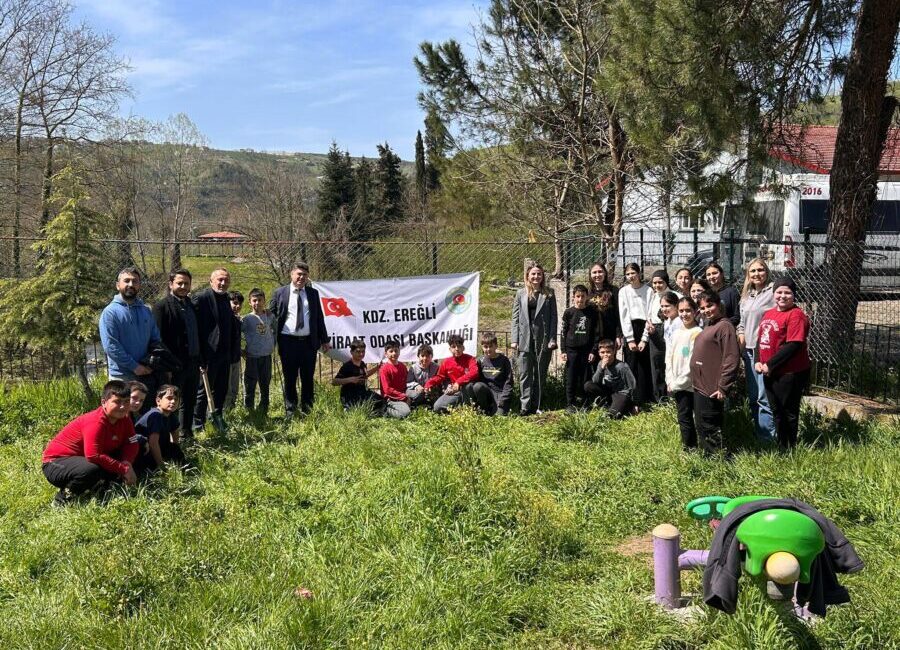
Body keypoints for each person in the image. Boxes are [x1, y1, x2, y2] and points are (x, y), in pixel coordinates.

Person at [41, 380, 138, 506]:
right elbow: (93, 455)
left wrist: (127, 462)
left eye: (126, 402)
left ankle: (101, 486)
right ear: (104, 402)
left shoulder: (124, 418)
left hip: (85, 458)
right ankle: (62, 500)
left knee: (141, 450)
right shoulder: (95, 422)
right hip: (55, 463)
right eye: (117, 402)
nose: (122, 407)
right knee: (90, 469)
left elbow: (132, 442)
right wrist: (123, 469)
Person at [269, 262, 331, 418]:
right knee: (290, 378)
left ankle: (307, 409)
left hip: (308, 343)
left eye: (304, 275)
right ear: (291, 275)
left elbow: (319, 318)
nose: (301, 277)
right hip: (287, 342)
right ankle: (290, 410)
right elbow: (271, 316)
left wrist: (324, 339)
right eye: (299, 274)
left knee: (307, 378)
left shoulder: (313, 294)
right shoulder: (280, 293)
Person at [756, 277, 811, 449]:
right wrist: (758, 360)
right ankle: (781, 445)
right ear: (774, 294)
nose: (783, 296)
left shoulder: (796, 315)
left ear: (794, 295)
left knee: (788, 412)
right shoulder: (769, 313)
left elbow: (794, 345)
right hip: (769, 371)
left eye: (788, 292)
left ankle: (789, 447)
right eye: (779, 292)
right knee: (776, 410)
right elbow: (761, 340)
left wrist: (770, 364)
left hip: (789, 372)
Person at [99, 267, 161, 409]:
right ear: (118, 285)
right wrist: (134, 366)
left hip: (145, 373)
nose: (131, 284)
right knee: (122, 415)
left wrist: (149, 363)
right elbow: (111, 346)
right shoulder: (110, 313)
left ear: (139, 285)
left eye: (135, 281)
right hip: (123, 375)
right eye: (126, 281)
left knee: (145, 416)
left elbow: (155, 339)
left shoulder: (146, 310)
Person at [690, 291, 741, 454]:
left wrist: (723, 386)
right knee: (702, 424)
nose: (706, 310)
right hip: (700, 385)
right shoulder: (710, 324)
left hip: (712, 387)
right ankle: (708, 457)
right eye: (702, 308)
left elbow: (731, 358)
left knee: (709, 425)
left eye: (710, 305)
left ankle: (719, 460)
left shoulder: (725, 326)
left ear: (719, 304)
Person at [153, 268, 201, 435]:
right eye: (179, 283)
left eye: (186, 283)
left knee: (189, 400)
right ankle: (168, 437)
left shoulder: (192, 305)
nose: (183, 286)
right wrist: (167, 366)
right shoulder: (161, 307)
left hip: (193, 362)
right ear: (170, 284)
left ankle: (186, 432)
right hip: (173, 365)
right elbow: (158, 340)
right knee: (171, 402)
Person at [192, 268, 240, 431]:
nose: (223, 283)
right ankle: (198, 422)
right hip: (208, 354)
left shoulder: (226, 298)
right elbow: (195, 329)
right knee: (203, 390)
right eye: (219, 279)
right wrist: (199, 355)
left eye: (226, 280)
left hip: (224, 354)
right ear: (211, 280)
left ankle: (216, 416)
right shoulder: (202, 298)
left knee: (221, 388)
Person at [736, 259, 776, 441]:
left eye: (760, 270)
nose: (756, 274)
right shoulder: (746, 296)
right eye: (752, 271)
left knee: (763, 396)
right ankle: (759, 431)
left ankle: (768, 438)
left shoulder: (773, 292)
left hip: (766, 351)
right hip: (750, 350)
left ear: (766, 272)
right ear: (748, 275)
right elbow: (742, 323)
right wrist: (741, 343)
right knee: (753, 395)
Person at [511, 262, 558, 415]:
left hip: (542, 339)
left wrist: (552, 339)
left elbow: (553, 318)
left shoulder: (549, 293)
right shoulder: (520, 293)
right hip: (525, 339)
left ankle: (537, 405)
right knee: (525, 373)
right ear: (528, 276)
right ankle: (525, 406)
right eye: (533, 274)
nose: (536, 276)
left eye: (539, 274)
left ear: (543, 276)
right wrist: (514, 339)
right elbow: (515, 318)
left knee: (539, 373)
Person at [666, 297, 702, 449]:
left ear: (695, 312)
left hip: (690, 384)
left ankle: (702, 447)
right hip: (676, 383)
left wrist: (677, 383)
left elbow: (692, 363)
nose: (684, 314)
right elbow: (669, 356)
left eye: (688, 310)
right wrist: (669, 379)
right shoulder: (676, 332)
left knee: (697, 417)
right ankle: (689, 447)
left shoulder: (697, 333)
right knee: (683, 416)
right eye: (681, 311)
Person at [618, 262, 653, 406]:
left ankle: (646, 398)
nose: (631, 276)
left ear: (639, 273)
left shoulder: (649, 291)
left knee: (645, 366)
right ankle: (633, 400)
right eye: (628, 274)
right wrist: (630, 339)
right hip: (631, 329)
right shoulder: (623, 291)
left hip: (645, 328)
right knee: (631, 365)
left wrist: (644, 339)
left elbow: (650, 314)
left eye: (633, 273)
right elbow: (624, 315)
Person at [560, 284, 600, 411]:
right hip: (571, 350)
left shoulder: (592, 313)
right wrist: (563, 350)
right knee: (571, 377)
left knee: (585, 377)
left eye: (583, 296)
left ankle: (585, 403)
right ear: (573, 297)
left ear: (587, 297)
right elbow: (563, 332)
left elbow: (596, 333)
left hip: (586, 350)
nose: (580, 299)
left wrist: (593, 350)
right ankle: (570, 403)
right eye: (577, 296)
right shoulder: (569, 312)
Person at [133, 385, 186, 475]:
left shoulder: (171, 415)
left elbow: (175, 439)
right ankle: (148, 471)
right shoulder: (155, 415)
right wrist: (162, 467)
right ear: (158, 401)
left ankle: (183, 471)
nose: (173, 401)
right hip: (143, 451)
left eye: (176, 399)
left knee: (175, 450)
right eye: (169, 398)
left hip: (159, 447)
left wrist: (174, 457)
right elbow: (153, 443)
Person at [425, 334, 480, 414]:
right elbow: (440, 376)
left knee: (469, 386)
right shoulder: (446, 362)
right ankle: (459, 407)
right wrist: (429, 383)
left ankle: (468, 408)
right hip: (454, 391)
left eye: (459, 346)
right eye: (454, 347)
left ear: (463, 348)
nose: (457, 349)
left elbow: (474, 372)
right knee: (437, 407)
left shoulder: (470, 359)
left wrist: (458, 382)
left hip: (468, 391)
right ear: (450, 349)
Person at [241, 288, 275, 414]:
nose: (257, 303)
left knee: (265, 383)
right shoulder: (246, 319)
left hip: (266, 356)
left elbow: (275, 330)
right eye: (254, 300)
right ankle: (249, 410)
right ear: (250, 302)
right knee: (250, 384)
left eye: (260, 300)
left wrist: (273, 345)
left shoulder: (270, 316)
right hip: (252, 356)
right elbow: (237, 334)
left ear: (264, 301)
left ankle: (263, 409)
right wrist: (241, 350)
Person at [583, 339, 636, 419]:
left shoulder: (622, 366)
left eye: (608, 352)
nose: (605, 355)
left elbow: (632, 384)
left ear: (614, 352)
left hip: (620, 394)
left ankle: (624, 406)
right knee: (588, 385)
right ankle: (607, 404)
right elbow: (595, 381)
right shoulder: (600, 363)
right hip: (608, 392)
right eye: (602, 352)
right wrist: (601, 368)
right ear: (599, 353)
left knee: (612, 415)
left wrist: (635, 404)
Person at [468, 331, 513, 415]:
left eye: (491, 346)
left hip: (499, 392)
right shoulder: (480, 360)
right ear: (482, 347)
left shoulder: (504, 360)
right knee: (478, 386)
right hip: (486, 391)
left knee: (499, 417)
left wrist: (503, 399)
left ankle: (495, 408)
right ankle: (485, 408)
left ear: (496, 346)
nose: (488, 349)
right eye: (485, 347)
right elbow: (473, 377)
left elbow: (509, 382)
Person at [332, 339, 383, 411]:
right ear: (351, 352)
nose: (361, 354)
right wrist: (350, 379)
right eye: (358, 352)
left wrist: (377, 368)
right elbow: (334, 382)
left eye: (363, 351)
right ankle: (348, 408)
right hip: (350, 395)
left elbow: (365, 375)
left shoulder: (362, 364)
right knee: (358, 408)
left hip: (362, 393)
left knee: (380, 400)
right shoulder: (347, 366)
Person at [645, 270, 672, 402]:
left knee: (669, 363)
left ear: (666, 282)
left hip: (669, 329)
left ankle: (671, 397)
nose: (657, 285)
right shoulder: (653, 296)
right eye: (654, 283)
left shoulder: (674, 295)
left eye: (660, 282)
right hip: (654, 330)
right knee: (656, 365)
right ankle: (659, 399)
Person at [378, 340, 412, 419]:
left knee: (418, 394)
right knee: (405, 413)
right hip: (391, 398)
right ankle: (385, 409)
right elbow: (387, 390)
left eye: (396, 351)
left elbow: (407, 381)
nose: (394, 353)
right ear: (386, 354)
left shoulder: (402, 366)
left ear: (399, 352)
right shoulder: (384, 369)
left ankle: (405, 405)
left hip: (403, 392)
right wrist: (404, 397)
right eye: (391, 351)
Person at [588, 262, 620, 343]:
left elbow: (618, 314)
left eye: (600, 271)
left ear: (605, 273)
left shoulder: (614, 291)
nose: (597, 275)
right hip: (592, 335)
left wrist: (618, 335)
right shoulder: (587, 293)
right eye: (594, 272)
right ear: (590, 275)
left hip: (610, 334)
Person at [224, 291, 245, 410]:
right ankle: (225, 412)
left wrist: (240, 350)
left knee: (234, 388)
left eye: (240, 304)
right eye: (235, 303)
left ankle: (231, 410)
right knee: (226, 389)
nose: (237, 306)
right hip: (226, 360)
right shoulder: (224, 319)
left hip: (236, 358)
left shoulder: (238, 319)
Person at [705, 263, 741, 327]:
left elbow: (737, 316)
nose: (711, 277)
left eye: (714, 273)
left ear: (722, 274)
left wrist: (721, 325)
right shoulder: (707, 294)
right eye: (708, 274)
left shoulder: (731, 292)